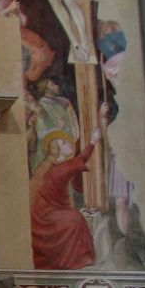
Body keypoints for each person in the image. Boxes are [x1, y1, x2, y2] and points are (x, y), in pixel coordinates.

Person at [30, 104, 109, 270]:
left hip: (49, 211)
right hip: (47, 215)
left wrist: (100, 120)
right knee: (75, 219)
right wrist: (92, 142)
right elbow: (81, 159)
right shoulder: (60, 168)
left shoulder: (52, 165)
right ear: (57, 151)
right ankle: (78, 260)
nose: (68, 144)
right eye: (64, 143)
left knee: (75, 217)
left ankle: (78, 259)